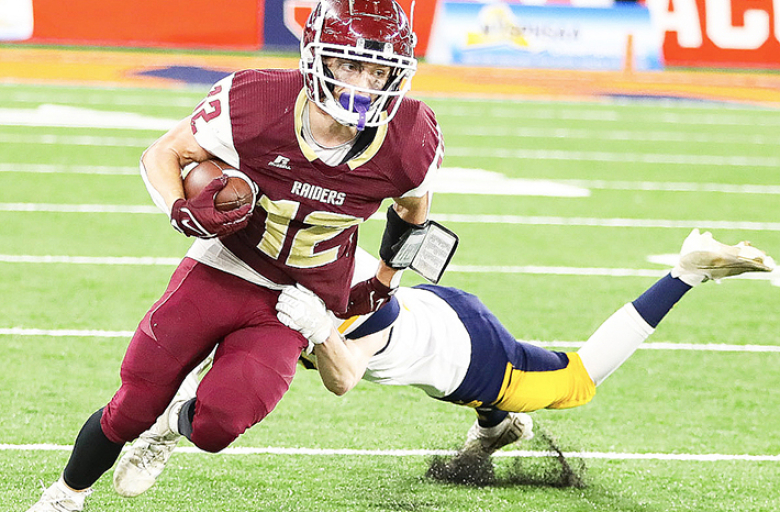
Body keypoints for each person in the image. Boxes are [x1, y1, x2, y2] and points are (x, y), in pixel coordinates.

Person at [26, 0, 444, 511]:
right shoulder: (255, 99)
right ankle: (65, 496)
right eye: (350, 64)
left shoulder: (410, 138)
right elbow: (165, 152)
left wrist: (384, 283)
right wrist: (181, 211)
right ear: (317, 56)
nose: (362, 86)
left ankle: (170, 424)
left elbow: (412, 214)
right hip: (226, 265)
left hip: (297, 299)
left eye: (378, 73)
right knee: (133, 404)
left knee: (216, 426)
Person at [110, 229, 773, 497]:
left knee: (576, 379)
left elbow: (342, 376)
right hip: (443, 311)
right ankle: (495, 426)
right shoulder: (322, 276)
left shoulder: (355, 315)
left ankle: (684, 269)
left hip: (472, 354)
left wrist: (317, 326)